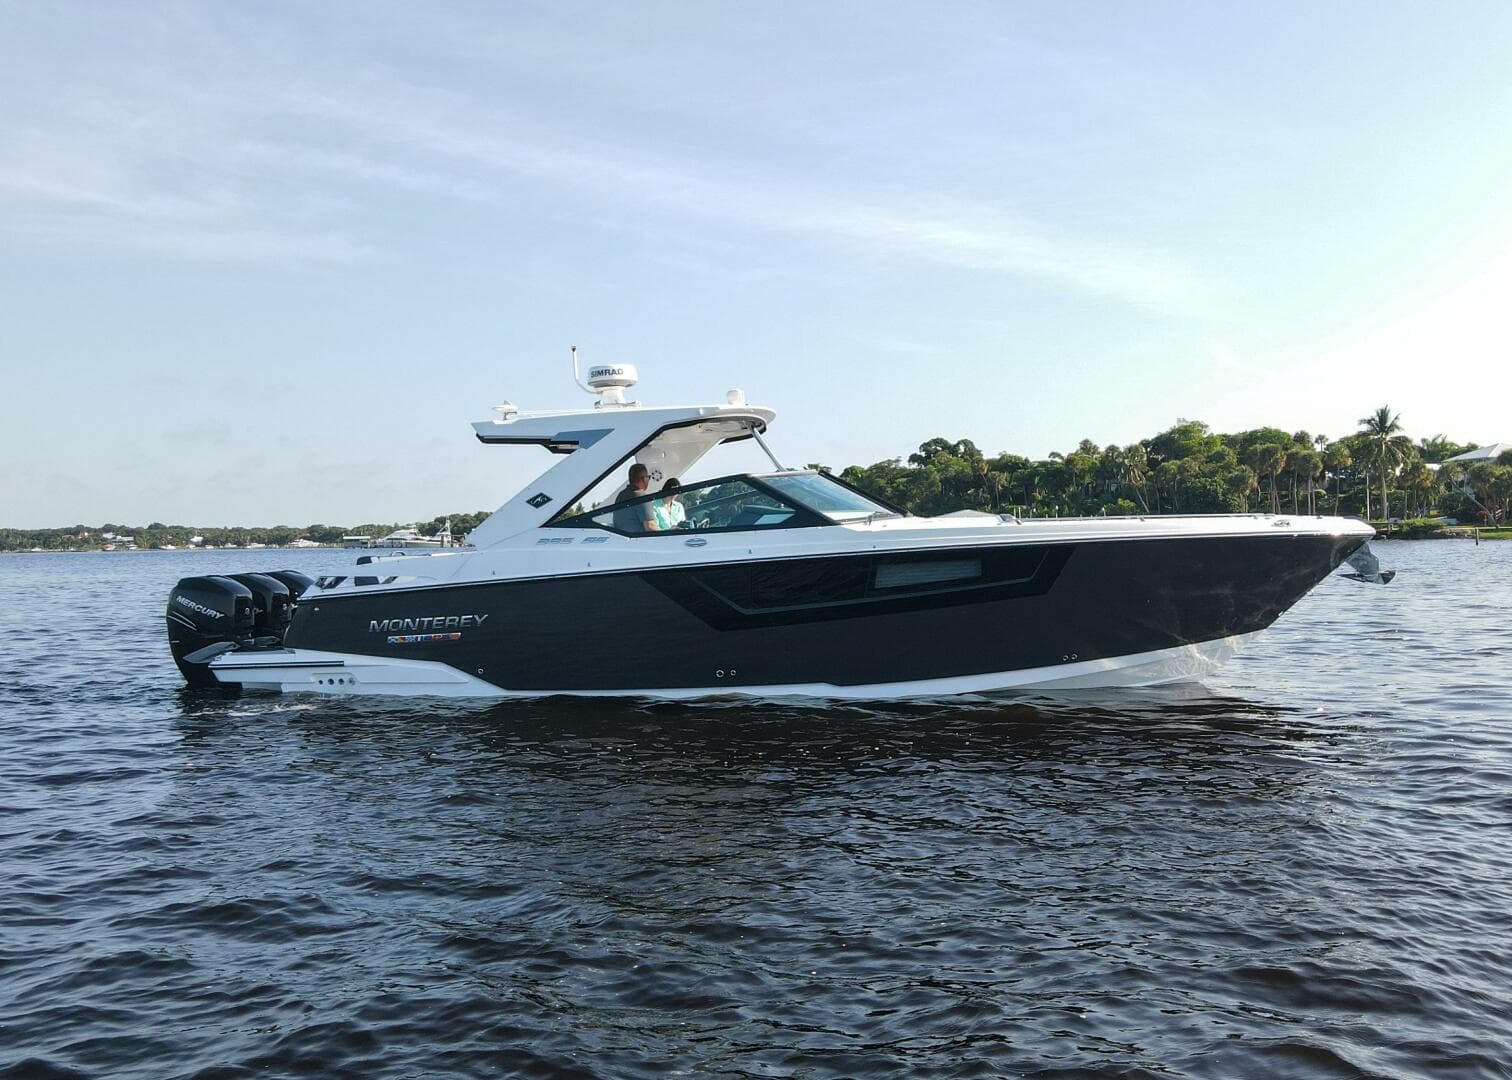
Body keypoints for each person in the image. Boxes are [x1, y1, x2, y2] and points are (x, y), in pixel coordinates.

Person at [612, 463, 659, 533]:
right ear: (643, 479)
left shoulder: (620, 495)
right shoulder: (642, 497)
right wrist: (669, 533)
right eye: (648, 477)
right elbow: (650, 526)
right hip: (640, 541)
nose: (649, 480)